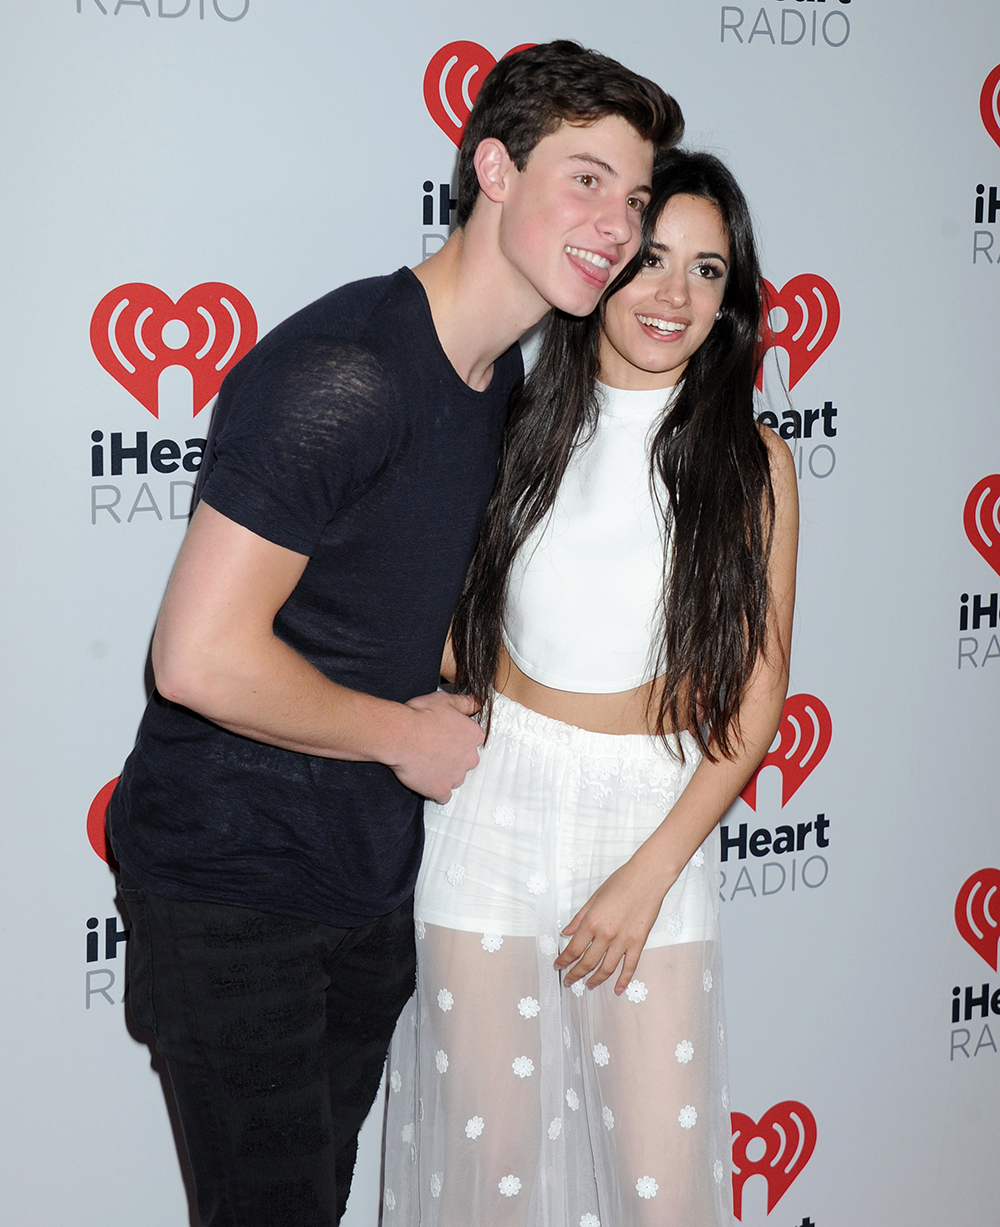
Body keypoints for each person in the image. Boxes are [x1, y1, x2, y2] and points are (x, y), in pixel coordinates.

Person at [106, 42, 683, 1227]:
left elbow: (400, 611)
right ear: (494, 172)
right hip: (234, 886)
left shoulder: (495, 390)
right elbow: (199, 657)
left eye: (633, 197)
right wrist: (400, 739)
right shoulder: (349, 368)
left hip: (366, 884)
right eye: (585, 180)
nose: (614, 224)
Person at [382, 148, 799, 1226]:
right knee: (491, 1184)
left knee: (661, 1194)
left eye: (707, 272)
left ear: (731, 299)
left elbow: (756, 696)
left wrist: (649, 872)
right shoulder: (514, 422)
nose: (672, 294)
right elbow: (447, 620)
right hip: (493, 815)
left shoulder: (749, 462)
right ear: (604, 262)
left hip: (648, 823)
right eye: (651, 258)